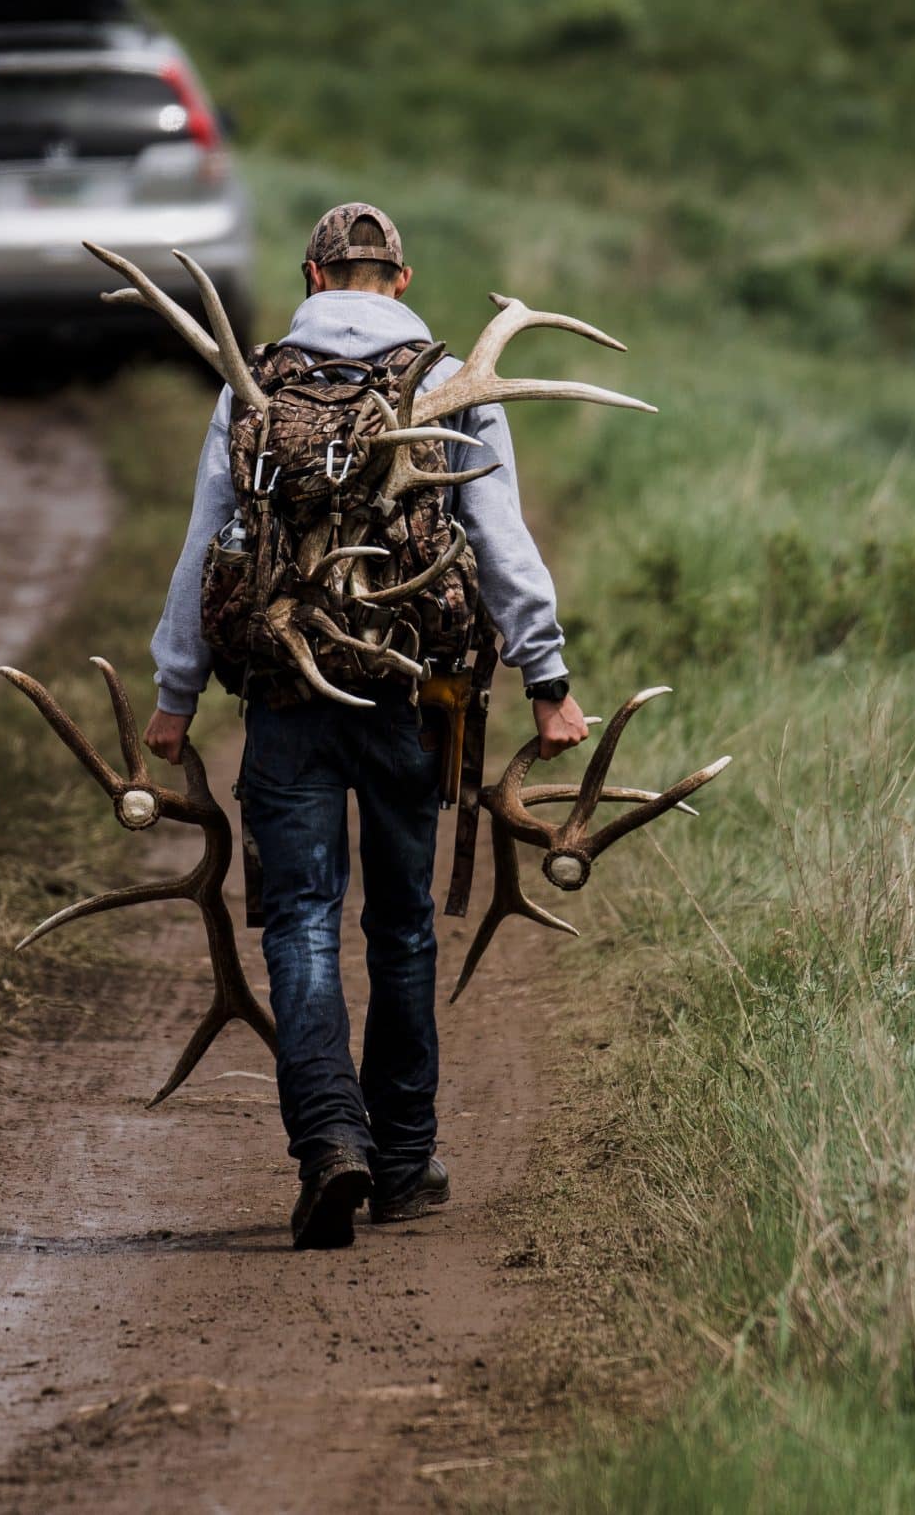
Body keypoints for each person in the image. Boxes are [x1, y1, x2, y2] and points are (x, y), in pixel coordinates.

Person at [142, 203, 592, 1249]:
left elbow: (205, 541)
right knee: (398, 929)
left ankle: (329, 1142)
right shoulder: (445, 381)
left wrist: (174, 697)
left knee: (299, 922)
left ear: (310, 275)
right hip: (409, 701)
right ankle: (400, 1158)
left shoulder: (253, 381)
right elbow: (498, 533)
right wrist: (548, 676)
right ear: (398, 277)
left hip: (285, 708)